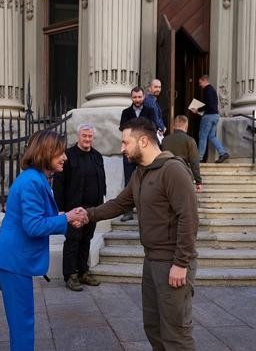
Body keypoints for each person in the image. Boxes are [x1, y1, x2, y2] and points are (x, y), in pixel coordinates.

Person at [85, 117, 199, 350]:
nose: (122, 148)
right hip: (152, 260)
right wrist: (88, 214)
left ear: (144, 141)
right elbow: (119, 204)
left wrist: (181, 263)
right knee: (154, 327)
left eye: (126, 143)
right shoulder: (140, 173)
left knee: (176, 333)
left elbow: (189, 218)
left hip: (172, 263)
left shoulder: (173, 170)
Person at [0, 130, 87, 350]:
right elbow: (33, 226)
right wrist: (68, 218)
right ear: (47, 152)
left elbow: (37, 218)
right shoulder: (32, 181)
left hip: (11, 259)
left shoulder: (35, 178)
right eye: (60, 152)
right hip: (13, 262)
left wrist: (65, 216)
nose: (65, 157)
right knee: (23, 323)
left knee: (21, 320)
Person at [53, 123, 107, 291]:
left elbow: (102, 180)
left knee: (86, 240)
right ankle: (70, 275)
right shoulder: (68, 155)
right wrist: (61, 209)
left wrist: (101, 203)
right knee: (73, 240)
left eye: (90, 136)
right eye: (84, 136)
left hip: (92, 209)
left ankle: (83, 271)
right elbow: (59, 184)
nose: (87, 139)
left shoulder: (97, 156)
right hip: (73, 208)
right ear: (78, 136)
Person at [119, 86, 159, 221]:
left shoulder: (150, 110)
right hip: (130, 151)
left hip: (145, 150)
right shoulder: (125, 112)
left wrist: (134, 127)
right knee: (129, 180)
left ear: (143, 97)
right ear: (131, 98)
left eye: (139, 97)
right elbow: (123, 128)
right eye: (135, 97)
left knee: (150, 180)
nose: (137, 100)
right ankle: (128, 211)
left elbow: (153, 127)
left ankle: (149, 210)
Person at [162, 115, 204, 193]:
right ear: (186, 126)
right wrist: (198, 181)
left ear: (174, 126)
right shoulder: (190, 140)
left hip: (166, 175)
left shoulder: (165, 140)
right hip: (183, 174)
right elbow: (194, 162)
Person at [197, 75, 229, 163]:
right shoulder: (213, 90)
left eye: (200, 83)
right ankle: (223, 153)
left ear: (204, 81)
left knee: (202, 136)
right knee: (212, 136)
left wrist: (197, 109)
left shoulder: (207, 90)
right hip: (215, 116)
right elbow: (212, 105)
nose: (200, 85)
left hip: (208, 116)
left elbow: (209, 105)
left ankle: (199, 158)